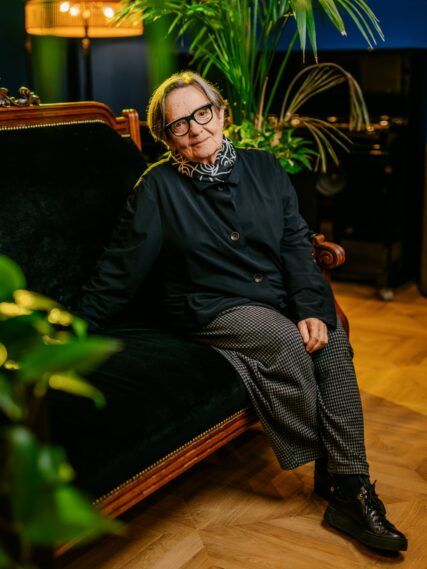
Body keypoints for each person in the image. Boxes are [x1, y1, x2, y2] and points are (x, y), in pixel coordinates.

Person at [76, 71, 407, 552]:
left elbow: (296, 243)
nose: (195, 129)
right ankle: (338, 472)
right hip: (207, 303)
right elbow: (120, 268)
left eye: (202, 113)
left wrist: (311, 305)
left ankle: (350, 489)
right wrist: (69, 328)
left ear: (221, 112)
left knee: (331, 337)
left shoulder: (265, 167)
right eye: (178, 124)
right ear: (166, 136)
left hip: (273, 292)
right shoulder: (157, 187)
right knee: (285, 339)